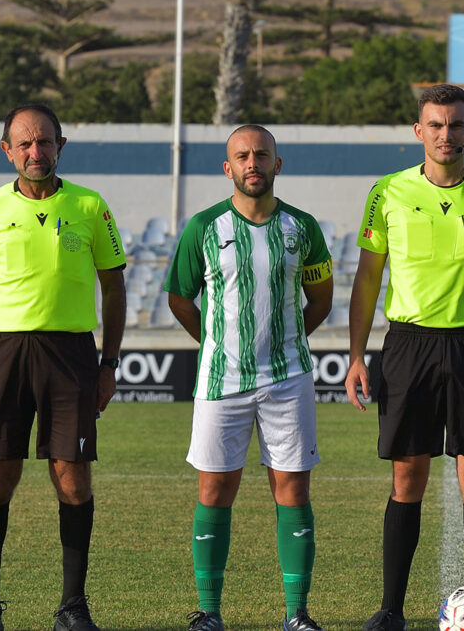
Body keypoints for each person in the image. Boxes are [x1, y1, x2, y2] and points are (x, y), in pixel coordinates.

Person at [344, 83, 464, 631]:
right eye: (436, 124)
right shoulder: (388, 192)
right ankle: (390, 610)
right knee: (408, 480)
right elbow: (366, 280)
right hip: (408, 346)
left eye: (456, 125)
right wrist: (357, 356)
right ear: (418, 131)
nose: (446, 135)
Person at [0, 103, 127, 631]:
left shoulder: (91, 206)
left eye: (44, 142)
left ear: (60, 145)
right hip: (0, 354)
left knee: (72, 480)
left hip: (70, 356)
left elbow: (114, 286)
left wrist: (108, 362)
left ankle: (72, 608)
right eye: (23, 144)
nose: (35, 152)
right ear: (7, 151)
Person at [164, 125, 333, 631]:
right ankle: (209, 612)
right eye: (242, 156)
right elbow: (179, 296)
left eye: (262, 155)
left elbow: (320, 298)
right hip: (221, 382)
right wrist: (214, 342)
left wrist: (287, 339)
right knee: (215, 490)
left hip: (288, 381)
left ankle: (296, 613)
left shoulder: (302, 228)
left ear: (278, 165)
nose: (252, 163)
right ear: (228, 168)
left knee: (293, 491)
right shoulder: (203, 227)